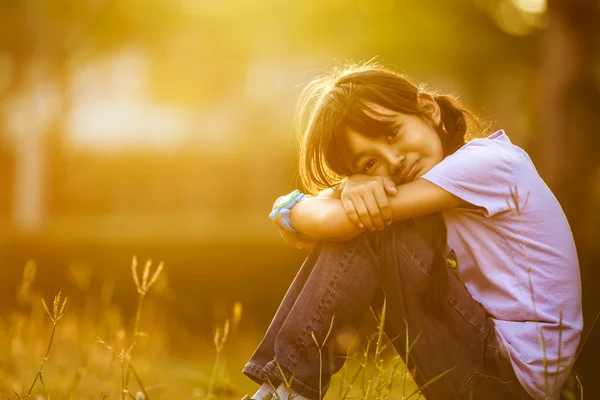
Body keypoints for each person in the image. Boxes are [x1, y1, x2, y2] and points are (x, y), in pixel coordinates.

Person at [241, 62, 582, 400]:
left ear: (428, 109)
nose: (393, 160)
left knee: (373, 228)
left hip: (511, 381)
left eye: (392, 133)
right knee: (372, 221)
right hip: (495, 371)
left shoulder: (491, 163)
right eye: (370, 163)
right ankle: (281, 389)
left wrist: (291, 209)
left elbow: (336, 222)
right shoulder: (427, 193)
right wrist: (348, 187)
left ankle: (284, 391)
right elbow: (318, 224)